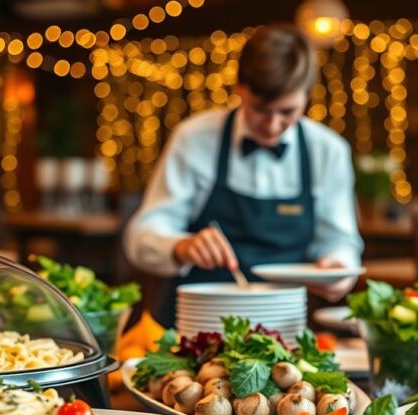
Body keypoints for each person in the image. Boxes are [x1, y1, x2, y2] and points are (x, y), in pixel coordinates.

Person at [123, 23, 363, 326]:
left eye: (287, 112)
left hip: (282, 329)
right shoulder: (194, 137)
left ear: (306, 96)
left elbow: (339, 240)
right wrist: (181, 246)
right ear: (239, 87)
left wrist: (338, 268)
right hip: (195, 324)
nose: (273, 125)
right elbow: (140, 237)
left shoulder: (328, 150)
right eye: (261, 109)